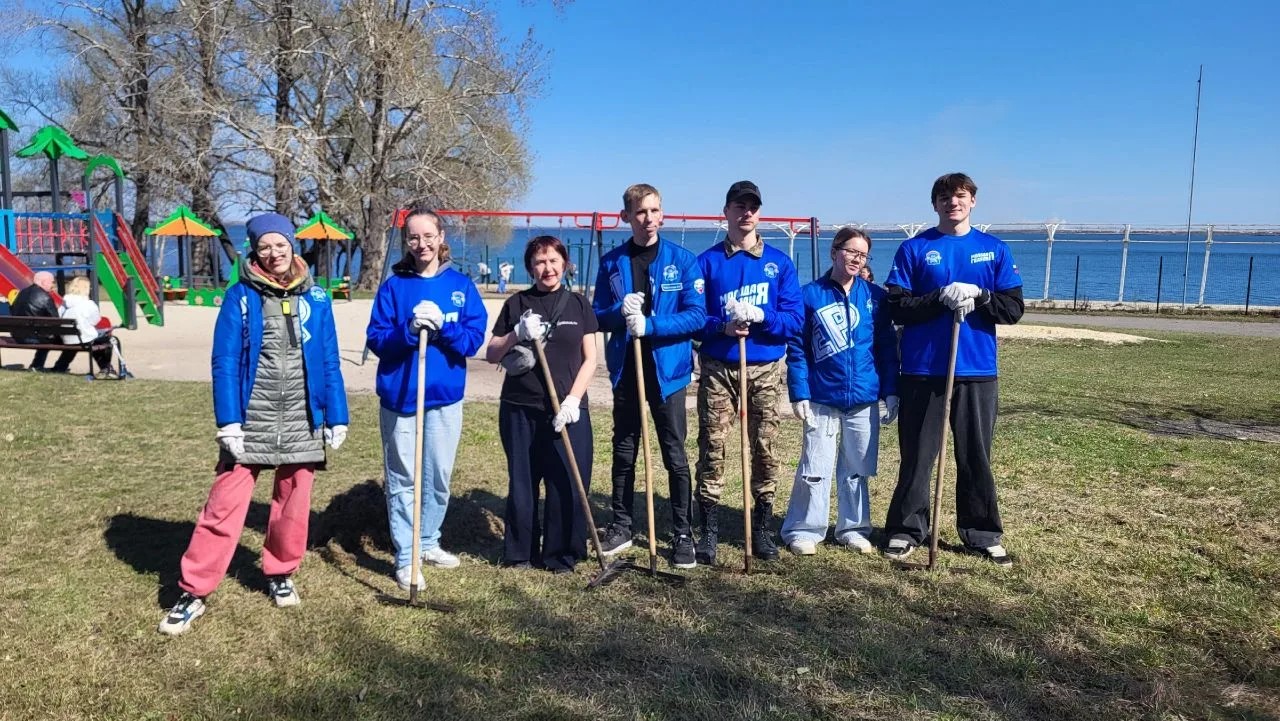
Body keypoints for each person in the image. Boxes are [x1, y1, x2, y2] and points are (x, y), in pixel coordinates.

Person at [158, 212, 349, 636]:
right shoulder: (240, 296)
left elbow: (330, 361)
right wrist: (228, 421)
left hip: (303, 418)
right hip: (250, 419)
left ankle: (280, 571)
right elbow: (225, 361)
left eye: (280, 244)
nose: (274, 252)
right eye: (265, 246)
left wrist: (337, 415)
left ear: (292, 245)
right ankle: (194, 591)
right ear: (254, 251)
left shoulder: (316, 298)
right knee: (224, 506)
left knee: (293, 504)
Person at [881, 172, 1024, 567]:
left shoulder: (993, 249)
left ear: (973, 201)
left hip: (976, 369)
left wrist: (981, 296)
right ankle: (906, 529)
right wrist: (939, 298)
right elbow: (896, 306)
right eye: (944, 197)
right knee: (918, 456)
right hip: (923, 370)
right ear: (935, 204)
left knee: (975, 455)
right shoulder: (914, 249)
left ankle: (982, 532)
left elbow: (1013, 310)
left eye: (960, 196)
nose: (952, 203)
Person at [366, 207, 487, 590]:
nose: (421, 244)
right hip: (400, 398)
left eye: (428, 236)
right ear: (406, 242)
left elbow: (471, 341)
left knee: (437, 478)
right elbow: (377, 339)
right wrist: (408, 329)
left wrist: (440, 331)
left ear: (441, 237)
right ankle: (406, 555)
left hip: (445, 398)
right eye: (413, 238)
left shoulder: (461, 286)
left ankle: (428, 540)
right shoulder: (394, 287)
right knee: (403, 478)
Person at [592, 183, 705, 568]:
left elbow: (696, 316)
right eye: (641, 212)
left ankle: (682, 533)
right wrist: (618, 312)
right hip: (627, 368)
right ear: (626, 216)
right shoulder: (611, 263)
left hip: (668, 372)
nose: (649, 219)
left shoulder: (683, 260)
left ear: (662, 213)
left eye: (655, 211)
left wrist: (651, 325)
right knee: (624, 450)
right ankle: (621, 525)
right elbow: (597, 314)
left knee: (674, 453)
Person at [694, 180, 803, 564]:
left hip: (765, 368)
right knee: (713, 446)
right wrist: (719, 327)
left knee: (765, 448)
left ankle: (760, 528)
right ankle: (706, 529)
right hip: (720, 365)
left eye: (752, 206)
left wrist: (762, 316)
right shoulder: (707, 262)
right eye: (739, 206)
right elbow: (693, 318)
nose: (746, 212)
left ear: (760, 212)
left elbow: (794, 321)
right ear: (725, 211)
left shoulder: (779, 263)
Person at [781, 228, 899, 556]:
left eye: (862, 255)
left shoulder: (875, 298)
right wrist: (799, 391)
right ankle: (803, 529)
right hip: (821, 396)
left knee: (857, 467)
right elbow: (798, 349)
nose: (856, 259)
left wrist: (890, 390)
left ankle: (854, 528)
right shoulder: (809, 296)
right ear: (835, 252)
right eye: (851, 252)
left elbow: (887, 347)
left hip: (863, 397)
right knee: (814, 467)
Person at [485, 235, 598, 573]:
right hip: (520, 407)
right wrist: (516, 333)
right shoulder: (517, 304)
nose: (547, 268)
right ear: (530, 267)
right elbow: (492, 352)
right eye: (539, 262)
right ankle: (520, 553)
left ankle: (561, 553)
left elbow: (590, 359)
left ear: (564, 263)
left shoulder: (579, 304)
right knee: (523, 479)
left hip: (568, 408)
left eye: (553, 260)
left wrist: (574, 400)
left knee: (568, 480)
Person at [52, 275, 116, 376]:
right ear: (86, 288)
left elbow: (59, 318)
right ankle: (106, 367)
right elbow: (95, 321)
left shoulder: (64, 303)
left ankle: (60, 366)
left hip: (67, 338)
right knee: (104, 338)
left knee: (80, 337)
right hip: (83, 338)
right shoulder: (88, 304)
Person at [10, 270, 60, 371]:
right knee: (71, 340)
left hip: (17, 336)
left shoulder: (21, 293)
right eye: (51, 282)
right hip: (34, 337)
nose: (53, 285)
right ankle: (55, 367)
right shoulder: (45, 297)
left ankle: (37, 365)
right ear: (43, 282)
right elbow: (56, 320)